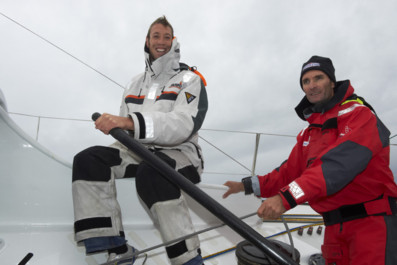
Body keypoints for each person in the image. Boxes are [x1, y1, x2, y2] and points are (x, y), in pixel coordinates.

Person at [223, 55, 397, 265]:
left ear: (332, 82)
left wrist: (286, 198)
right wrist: (245, 185)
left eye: (318, 78)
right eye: (306, 81)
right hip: (333, 230)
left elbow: (334, 168)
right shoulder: (309, 133)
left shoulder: (360, 115)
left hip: (371, 226)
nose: (312, 85)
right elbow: (288, 173)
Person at [72, 16, 208, 265]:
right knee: (88, 159)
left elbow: (183, 124)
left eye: (167, 37)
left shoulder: (189, 80)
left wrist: (129, 122)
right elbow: (123, 132)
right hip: (137, 151)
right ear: (147, 41)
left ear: (173, 41)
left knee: (152, 172)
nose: (162, 42)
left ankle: (188, 259)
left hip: (181, 153)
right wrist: (119, 126)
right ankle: (116, 247)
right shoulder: (133, 84)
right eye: (156, 36)